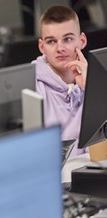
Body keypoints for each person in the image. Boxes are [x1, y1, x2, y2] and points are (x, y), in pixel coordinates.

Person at [34, 5, 88, 157]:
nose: (60, 48)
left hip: (87, 172)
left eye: (68, 39)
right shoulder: (31, 88)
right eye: (51, 41)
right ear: (41, 46)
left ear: (82, 41)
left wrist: (91, 90)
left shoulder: (95, 80)